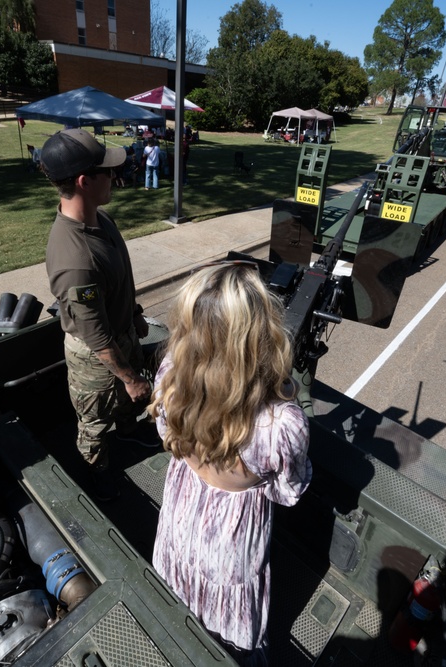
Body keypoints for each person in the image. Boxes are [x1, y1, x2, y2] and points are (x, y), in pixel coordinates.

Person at [151, 262, 311, 667]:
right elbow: (288, 490)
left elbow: (166, 436)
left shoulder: (170, 377)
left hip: (179, 517)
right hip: (231, 544)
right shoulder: (280, 425)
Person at [41, 129, 159, 502]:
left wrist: (135, 314)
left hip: (121, 333)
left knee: (127, 403)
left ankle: (126, 429)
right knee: (93, 423)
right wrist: (128, 377)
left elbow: (117, 282)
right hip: (98, 359)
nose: (116, 176)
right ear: (83, 181)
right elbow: (94, 335)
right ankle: (97, 475)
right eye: (107, 172)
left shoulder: (100, 220)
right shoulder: (75, 259)